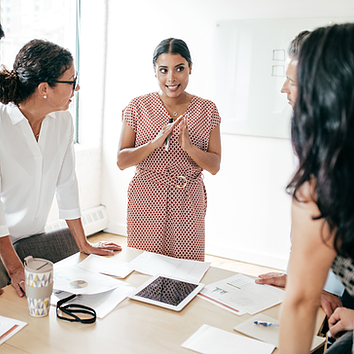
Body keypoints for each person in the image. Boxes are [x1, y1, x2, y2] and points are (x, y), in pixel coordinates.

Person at [0, 39, 121, 298]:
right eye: (71, 80)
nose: (77, 87)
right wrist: (13, 266)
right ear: (44, 88)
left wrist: (83, 243)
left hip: (31, 240)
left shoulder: (62, 122)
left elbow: (66, 184)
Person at [255, 30, 346, 319]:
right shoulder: (312, 138)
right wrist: (299, 278)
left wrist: (321, 287)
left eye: (293, 81)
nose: (284, 89)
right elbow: (313, 232)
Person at [278, 23, 354, 353]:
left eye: (293, 82)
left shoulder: (319, 189)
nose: (284, 89)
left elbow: (299, 303)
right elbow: (301, 297)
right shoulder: (326, 180)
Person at [117, 38, 221, 262]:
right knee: (143, 265)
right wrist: (153, 144)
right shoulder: (137, 107)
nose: (171, 78)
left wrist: (190, 148)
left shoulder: (207, 110)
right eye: (163, 70)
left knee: (187, 268)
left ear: (190, 68)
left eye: (179, 69)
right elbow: (122, 161)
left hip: (187, 199)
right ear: (155, 71)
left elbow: (214, 166)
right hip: (145, 198)